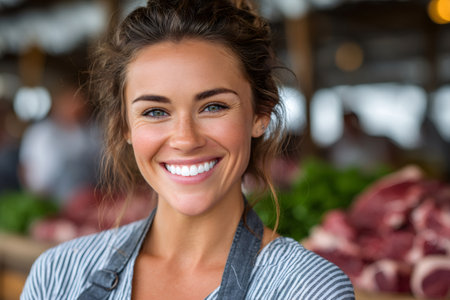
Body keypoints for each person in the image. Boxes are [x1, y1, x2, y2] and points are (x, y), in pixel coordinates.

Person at [21, 0, 355, 299]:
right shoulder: (56, 275)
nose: (185, 139)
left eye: (213, 106)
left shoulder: (310, 289)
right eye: (155, 112)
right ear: (125, 126)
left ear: (260, 114)